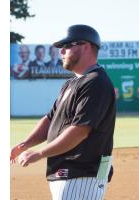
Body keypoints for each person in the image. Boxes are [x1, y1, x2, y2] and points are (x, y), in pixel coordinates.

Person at [10, 24, 116, 200]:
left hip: (82, 173)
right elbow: (50, 119)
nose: (61, 52)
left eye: (67, 46)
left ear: (86, 46)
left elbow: (80, 130)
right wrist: (26, 144)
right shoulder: (71, 83)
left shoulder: (96, 82)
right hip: (66, 173)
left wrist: (40, 153)